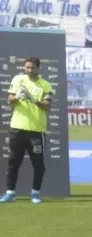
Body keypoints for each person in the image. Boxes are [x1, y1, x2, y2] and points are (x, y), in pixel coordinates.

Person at [2, 57, 54, 204]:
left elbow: (47, 105)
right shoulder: (18, 79)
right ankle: (10, 193)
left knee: (38, 164)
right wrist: (17, 96)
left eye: (32, 67)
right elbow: (9, 100)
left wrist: (33, 99)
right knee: (13, 162)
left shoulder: (46, 85)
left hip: (36, 130)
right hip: (17, 128)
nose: (29, 70)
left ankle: (35, 193)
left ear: (38, 68)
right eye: (27, 67)